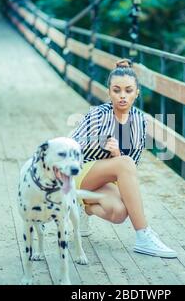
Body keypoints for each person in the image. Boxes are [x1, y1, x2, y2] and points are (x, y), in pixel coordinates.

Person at [68, 58, 177, 258]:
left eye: (128, 90)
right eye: (117, 90)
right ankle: (144, 234)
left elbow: (129, 170)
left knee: (118, 212)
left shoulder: (140, 122)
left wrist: (117, 155)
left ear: (137, 93)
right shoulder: (98, 115)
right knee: (124, 162)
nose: (122, 96)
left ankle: (84, 208)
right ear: (109, 92)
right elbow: (69, 148)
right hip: (76, 175)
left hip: (101, 182)